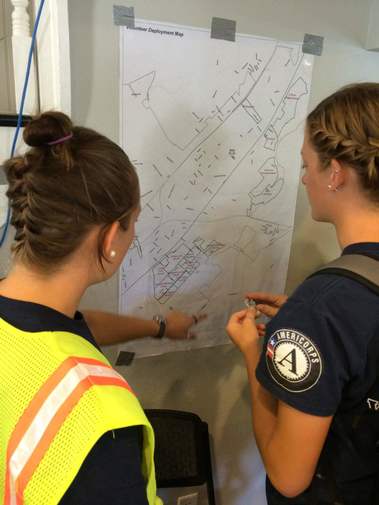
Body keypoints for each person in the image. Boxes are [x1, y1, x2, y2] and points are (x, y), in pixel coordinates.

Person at [0, 111, 202, 505]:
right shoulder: (99, 418)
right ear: (110, 236)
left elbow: (74, 326)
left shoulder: (20, 321)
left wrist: (157, 327)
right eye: (132, 224)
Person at [226, 82, 379, 505]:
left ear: (335, 173)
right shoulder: (321, 311)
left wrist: (255, 353)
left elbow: (288, 476)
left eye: (306, 163)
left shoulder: (322, 308)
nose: (303, 177)